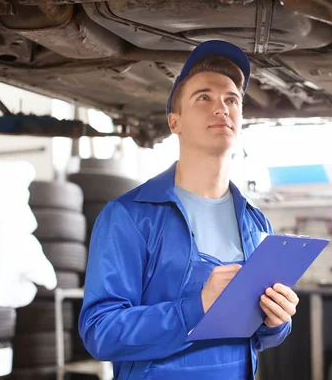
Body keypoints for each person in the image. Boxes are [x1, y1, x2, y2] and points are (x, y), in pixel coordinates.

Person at [78, 40, 299, 380]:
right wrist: (197, 308)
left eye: (232, 100)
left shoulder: (256, 223)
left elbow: (256, 337)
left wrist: (276, 321)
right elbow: (100, 331)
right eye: (203, 97)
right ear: (174, 121)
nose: (221, 108)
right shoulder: (130, 216)